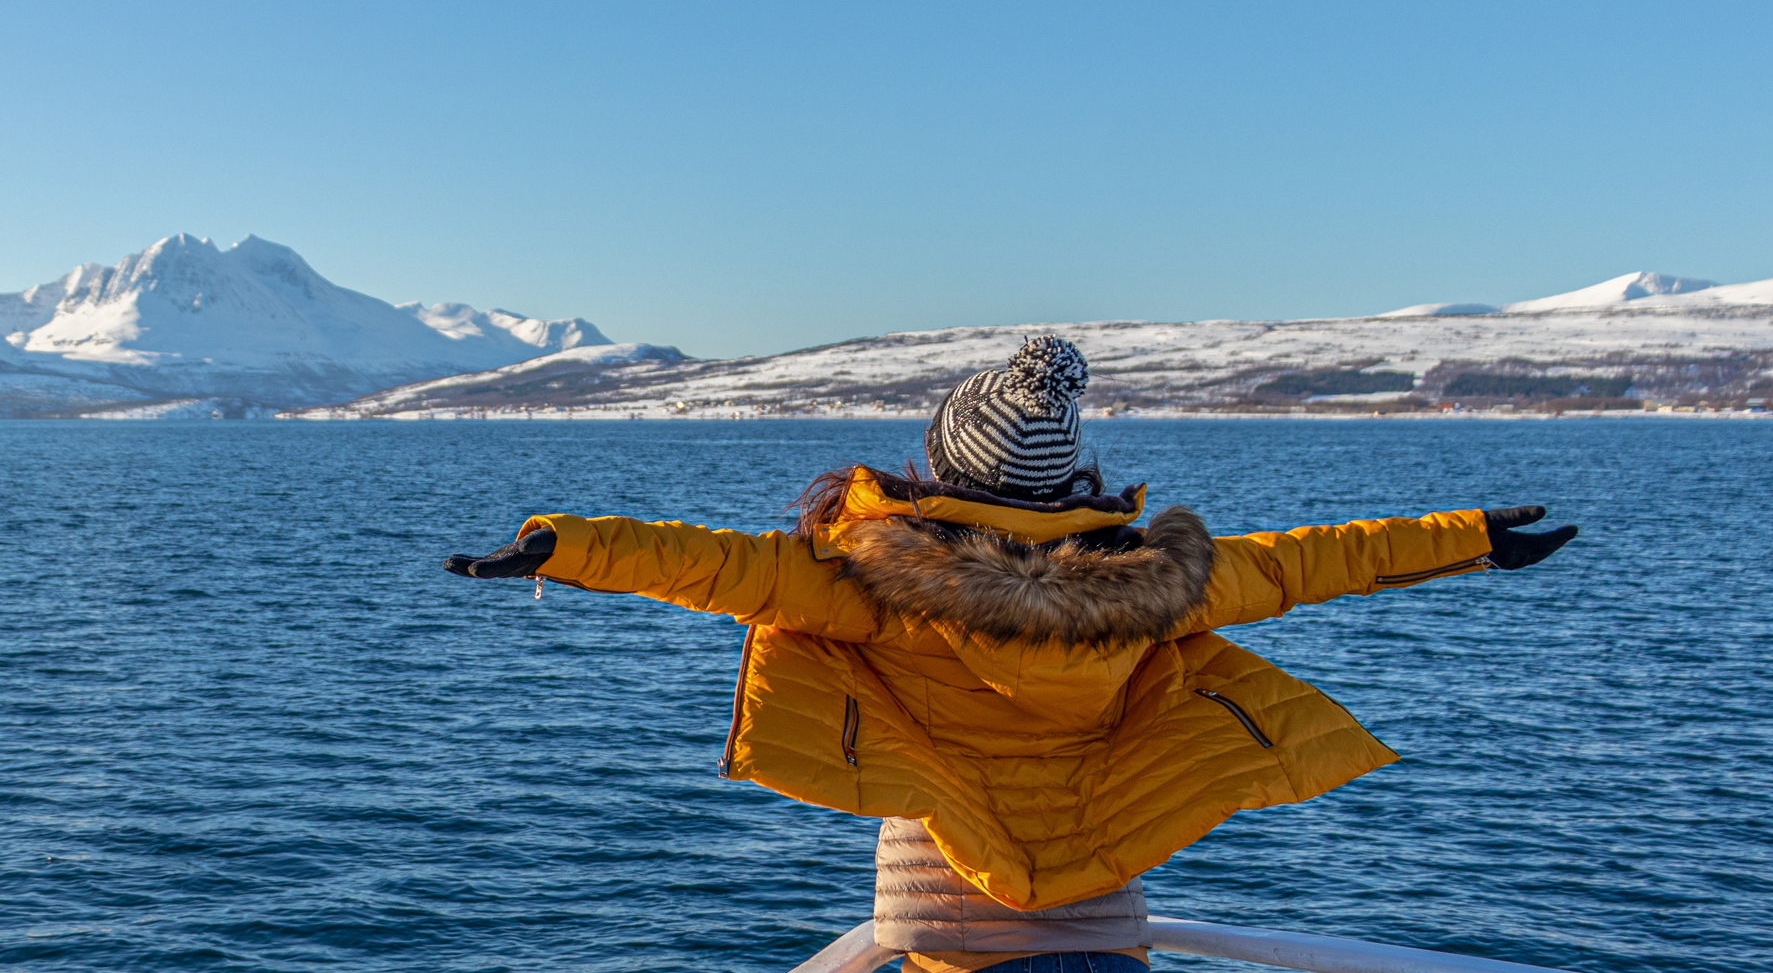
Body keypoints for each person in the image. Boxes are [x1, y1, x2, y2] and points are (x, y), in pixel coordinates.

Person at [445, 337, 1576, 973]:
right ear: (1068, 483)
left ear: (939, 465)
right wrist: (1471, 539)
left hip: (949, 929)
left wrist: (562, 544)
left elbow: (709, 564)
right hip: (1101, 926)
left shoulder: (874, 582)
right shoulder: (1155, 586)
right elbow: (1308, 562)